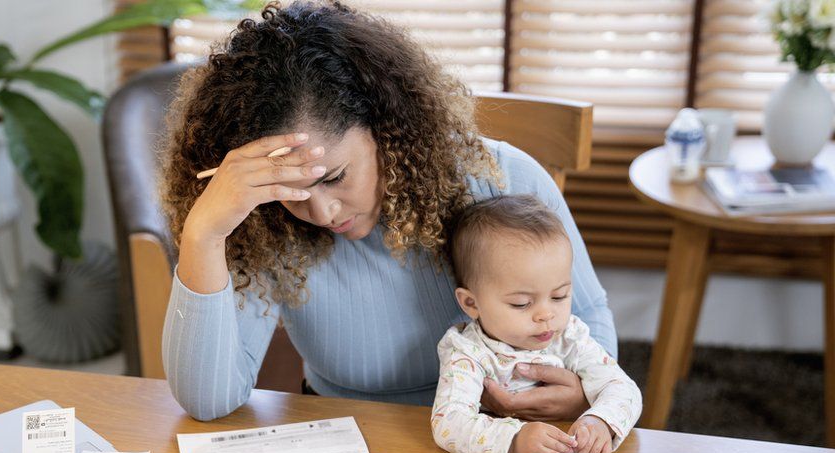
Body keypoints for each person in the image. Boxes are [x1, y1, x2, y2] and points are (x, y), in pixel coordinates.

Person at [160, 1, 617, 421]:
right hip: (351, 434)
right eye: (289, 191)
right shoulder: (262, 219)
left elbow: (589, 321)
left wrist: (584, 392)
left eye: (334, 177)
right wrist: (204, 234)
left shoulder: (506, 178)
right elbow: (208, 401)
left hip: (499, 436)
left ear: (385, 129)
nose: (320, 212)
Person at [431, 196, 642, 453]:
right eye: (522, 303)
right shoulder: (467, 351)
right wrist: (516, 440)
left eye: (559, 296)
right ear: (471, 303)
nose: (546, 315)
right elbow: (448, 422)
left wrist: (600, 420)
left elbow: (623, 388)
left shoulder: (569, 336)